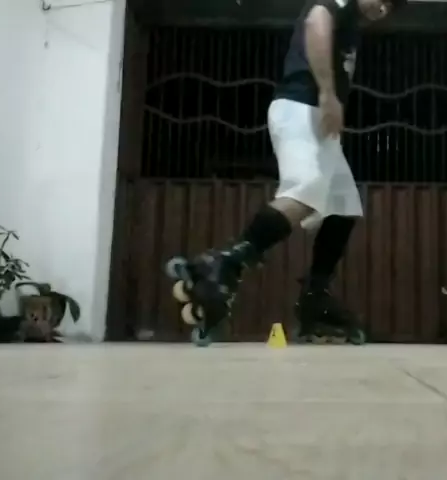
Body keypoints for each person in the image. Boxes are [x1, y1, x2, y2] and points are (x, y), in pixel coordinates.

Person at [167, 0, 408, 345]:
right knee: (306, 190)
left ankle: (314, 297)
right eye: (383, 0)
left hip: (316, 118)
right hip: (302, 107)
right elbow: (317, 21)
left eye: (390, 7)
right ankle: (223, 263)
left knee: (344, 205)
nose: (383, 9)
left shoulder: (352, 22)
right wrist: (327, 94)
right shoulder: (339, 4)